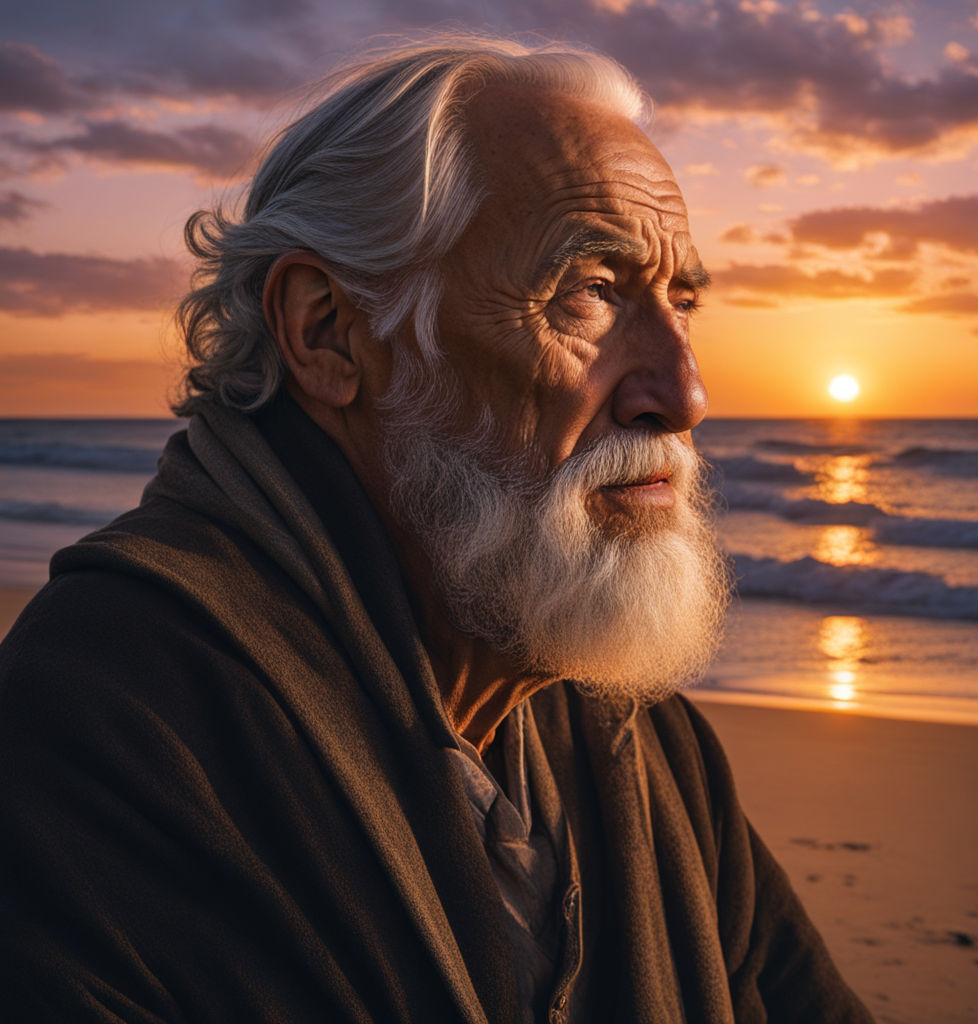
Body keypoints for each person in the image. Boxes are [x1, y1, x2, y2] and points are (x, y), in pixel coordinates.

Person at [0, 35, 873, 1023]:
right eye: (588, 292)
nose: (684, 392)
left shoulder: (635, 728)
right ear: (329, 331)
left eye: (680, 301)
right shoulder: (117, 706)